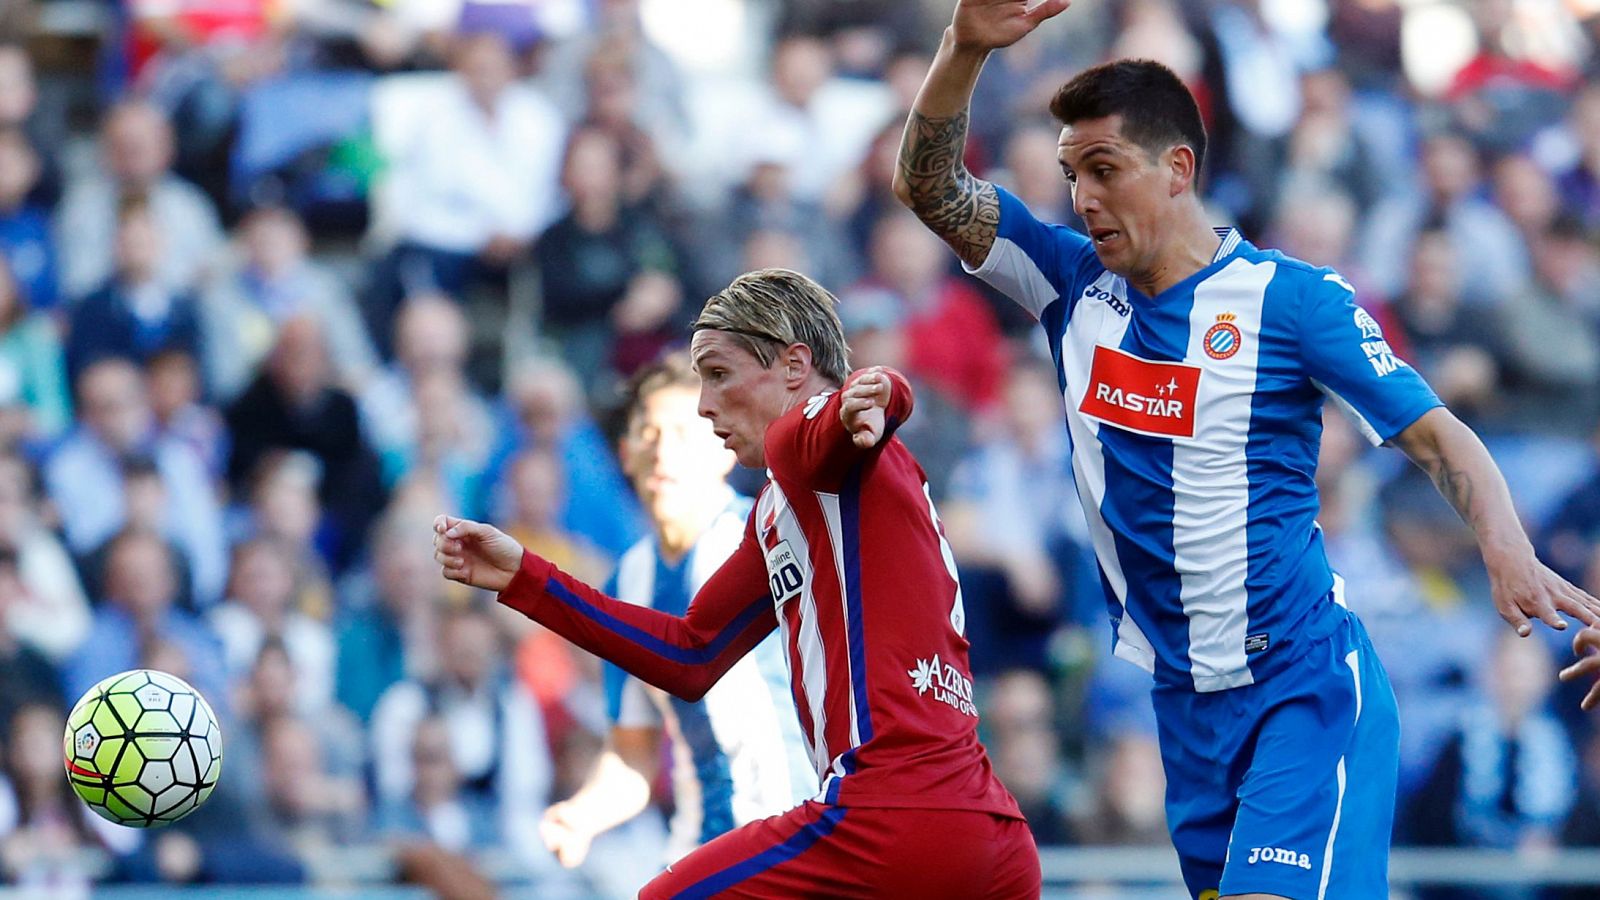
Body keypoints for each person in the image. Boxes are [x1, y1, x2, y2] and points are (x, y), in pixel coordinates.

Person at [892, 2, 1600, 899]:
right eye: (1073, 174)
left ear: (1178, 168)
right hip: (1186, 707)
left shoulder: (1290, 301)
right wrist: (962, 49)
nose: (1084, 198)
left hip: (1300, 686)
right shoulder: (1069, 283)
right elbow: (930, 188)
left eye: (1105, 169)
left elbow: (1435, 432)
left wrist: (1504, 545)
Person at [434, 268, 1040, 897]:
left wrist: (880, 391)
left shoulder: (822, 441)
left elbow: (839, 418)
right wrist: (525, 577)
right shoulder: (783, 506)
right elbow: (690, 654)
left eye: (718, 374)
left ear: (794, 366)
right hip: (988, 835)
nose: (704, 404)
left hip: (887, 819)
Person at [538, 352, 812, 872]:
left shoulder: (772, 540)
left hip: (797, 840)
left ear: (725, 449)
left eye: (685, 434)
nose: (663, 453)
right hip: (698, 849)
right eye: (649, 434)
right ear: (625, 453)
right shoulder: (626, 584)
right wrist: (583, 814)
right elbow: (633, 752)